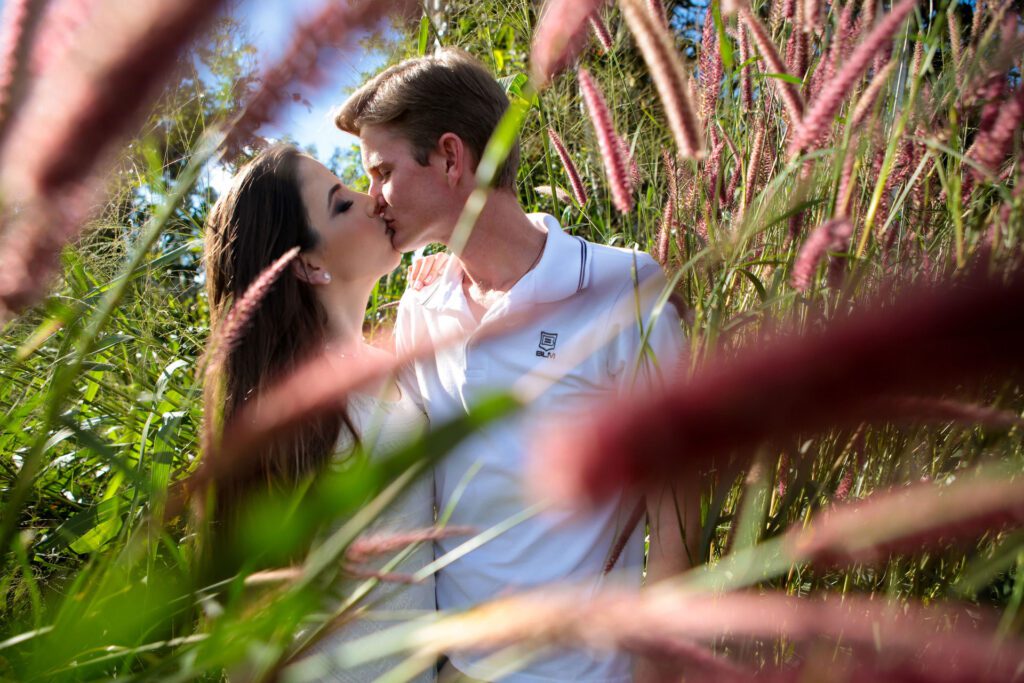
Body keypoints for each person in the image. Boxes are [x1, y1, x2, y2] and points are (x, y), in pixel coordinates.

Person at [336, 48, 694, 683]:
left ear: (451, 158)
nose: (374, 198)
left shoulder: (625, 288)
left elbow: (677, 506)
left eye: (382, 171)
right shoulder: (422, 302)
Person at [203, 144, 446, 682]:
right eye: (341, 204)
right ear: (309, 264)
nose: (373, 200)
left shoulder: (397, 362)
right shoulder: (285, 411)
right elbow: (246, 621)